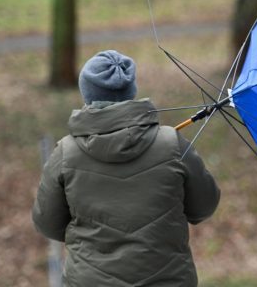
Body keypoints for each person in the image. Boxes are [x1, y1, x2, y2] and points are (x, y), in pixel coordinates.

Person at [32, 50, 221, 287]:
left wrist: (89, 236)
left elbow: (47, 223)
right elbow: (204, 206)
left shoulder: (65, 153)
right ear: (131, 90)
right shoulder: (171, 144)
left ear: (87, 94)